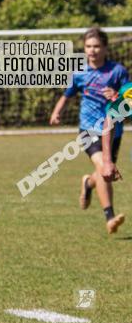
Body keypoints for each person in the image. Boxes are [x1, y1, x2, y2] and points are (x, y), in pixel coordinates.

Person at [50, 27, 128, 234]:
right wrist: (57, 112)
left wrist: (118, 96)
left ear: (105, 47)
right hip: (88, 129)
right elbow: (67, 95)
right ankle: (110, 217)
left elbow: (129, 97)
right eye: (88, 46)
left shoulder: (117, 71)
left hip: (113, 131)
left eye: (96, 46)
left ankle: (88, 182)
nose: (92, 50)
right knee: (105, 167)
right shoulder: (79, 73)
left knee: (103, 171)